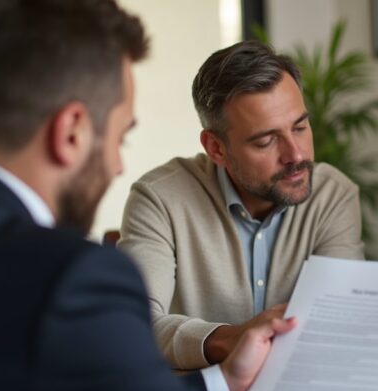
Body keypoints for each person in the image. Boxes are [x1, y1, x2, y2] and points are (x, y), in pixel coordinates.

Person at [0, 0, 378, 391]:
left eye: (300, 126)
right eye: (120, 137)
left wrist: (227, 380)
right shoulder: (68, 278)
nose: (116, 164)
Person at [118, 40, 364, 370]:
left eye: (300, 127)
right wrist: (231, 339)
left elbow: (341, 320)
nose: (297, 155)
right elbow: (133, 324)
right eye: (266, 140)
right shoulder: (159, 198)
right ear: (216, 148)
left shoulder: (333, 195)